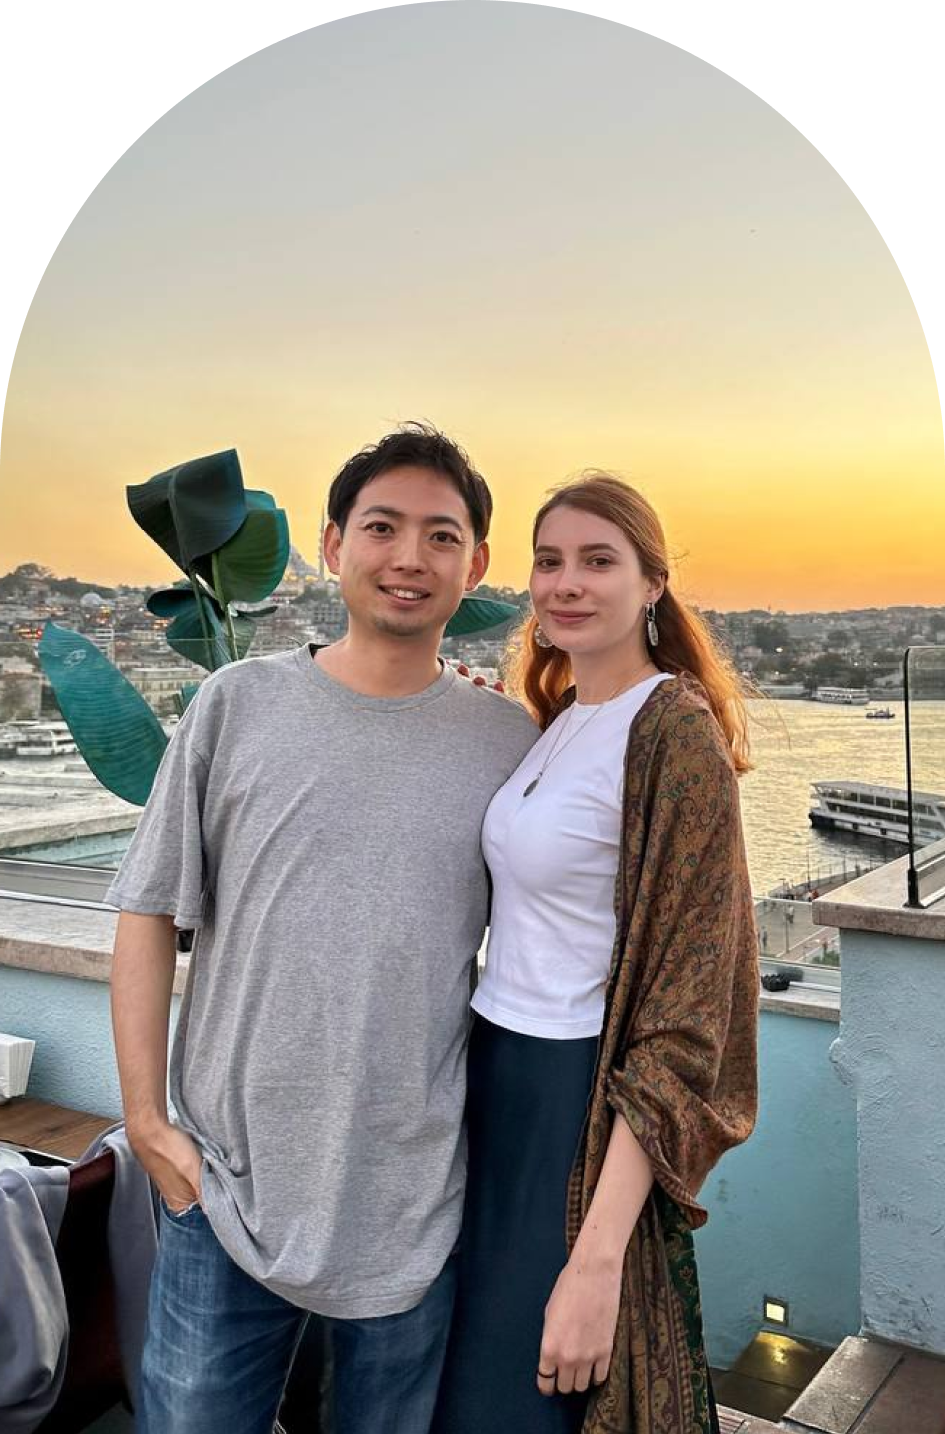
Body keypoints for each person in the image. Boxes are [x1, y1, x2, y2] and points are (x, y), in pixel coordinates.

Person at [106, 423, 538, 1434]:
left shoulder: (508, 741)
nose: (409, 557)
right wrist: (148, 1125)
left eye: (441, 536)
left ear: (475, 565)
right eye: (382, 527)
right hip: (228, 1191)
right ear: (335, 545)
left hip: (413, 1204)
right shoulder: (236, 705)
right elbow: (147, 911)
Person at [433, 472, 759, 1434]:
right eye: (548, 561)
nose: (566, 583)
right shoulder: (557, 722)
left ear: (652, 583)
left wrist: (597, 1258)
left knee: (527, 1395)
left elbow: (688, 1017)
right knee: (463, 1384)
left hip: (574, 1101)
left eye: (597, 560)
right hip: (491, 1074)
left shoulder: (673, 733)